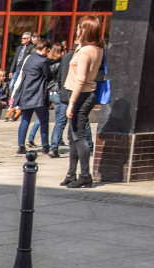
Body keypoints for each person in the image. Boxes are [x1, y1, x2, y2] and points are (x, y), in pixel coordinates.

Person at [62, 18, 104, 188]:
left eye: (79, 28)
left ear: (85, 30)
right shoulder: (96, 48)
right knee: (73, 137)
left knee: (78, 137)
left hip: (81, 95)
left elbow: (80, 79)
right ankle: (71, 173)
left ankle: (85, 175)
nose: (77, 30)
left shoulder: (86, 52)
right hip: (85, 94)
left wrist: (72, 102)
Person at [13, 39, 52, 155]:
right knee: (43, 120)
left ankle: (21, 146)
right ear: (44, 49)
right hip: (38, 94)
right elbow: (48, 76)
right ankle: (45, 145)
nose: (48, 53)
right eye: (48, 50)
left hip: (25, 93)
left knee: (25, 120)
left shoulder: (28, 58)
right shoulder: (43, 61)